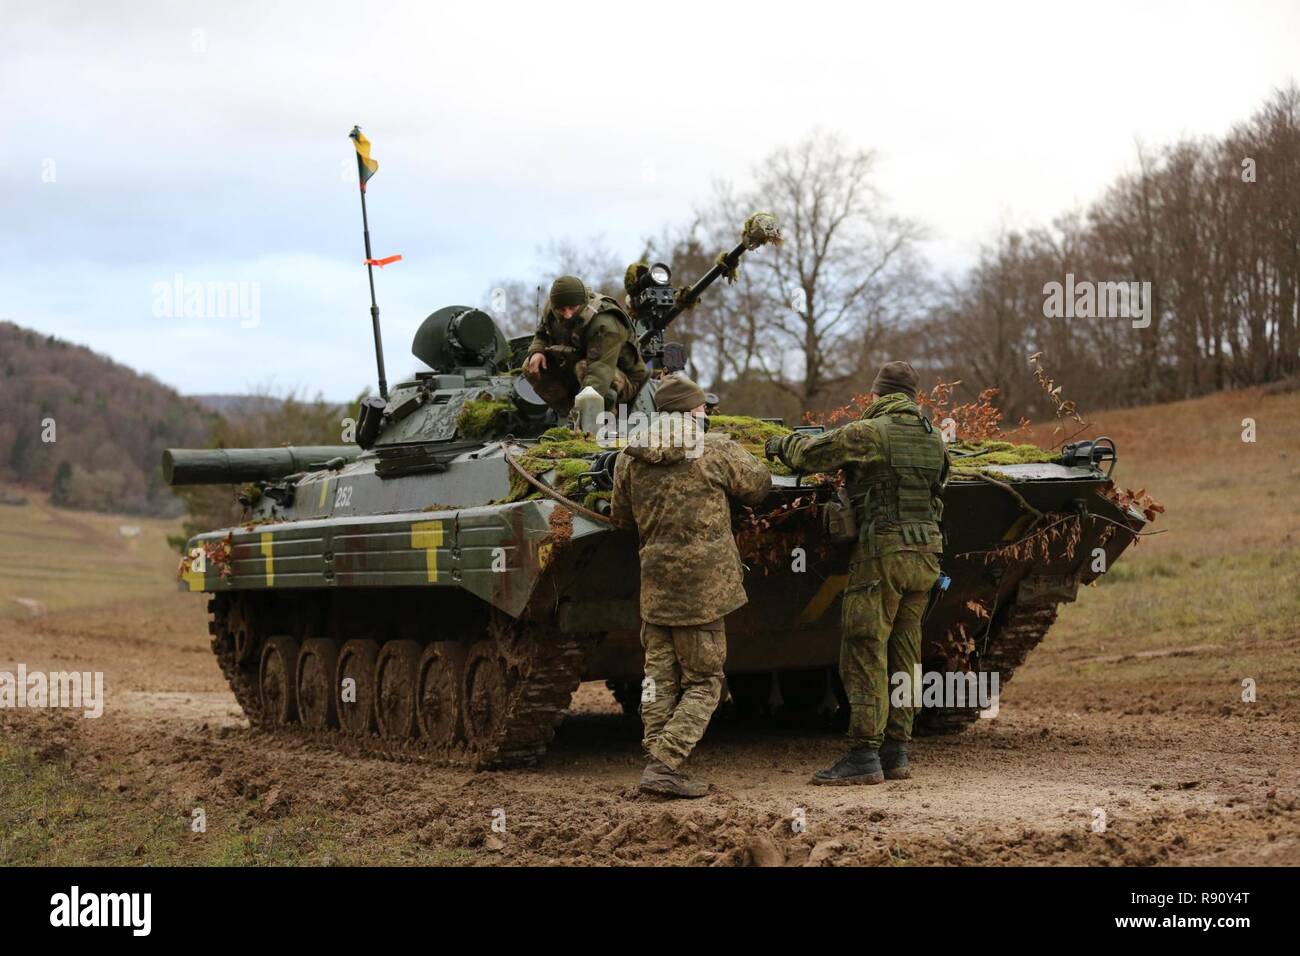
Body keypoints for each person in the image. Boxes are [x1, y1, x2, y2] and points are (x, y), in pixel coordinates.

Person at [765, 361, 950, 786]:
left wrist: (778, 444)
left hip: (882, 553)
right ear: (913, 397)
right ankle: (896, 750)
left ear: (878, 393)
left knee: (865, 645)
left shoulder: (869, 432)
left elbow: (809, 456)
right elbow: (942, 486)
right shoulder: (933, 438)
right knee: (906, 652)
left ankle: (864, 753)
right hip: (926, 557)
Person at [610, 375, 771, 797]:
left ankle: (657, 757)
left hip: (656, 583)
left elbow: (622, 519)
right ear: (696, 411)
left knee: (658, 678)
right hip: (704, 588)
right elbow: (758, 487)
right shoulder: (714, 447)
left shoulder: (629, 456)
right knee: (704, 682)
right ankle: (666, 764)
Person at [524, 275, 648, 414]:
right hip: (583, 364)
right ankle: (568, 413)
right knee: (532, 365)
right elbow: (542, 333)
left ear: (583, 302)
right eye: (561, 310)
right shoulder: (552, 309)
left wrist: (584, 408)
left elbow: (599, 371)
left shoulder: (605, 323)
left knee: (584, 368)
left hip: (623, 377)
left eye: (572, 308)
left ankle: (601, 423)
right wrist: (537, 351)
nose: (567, 315)